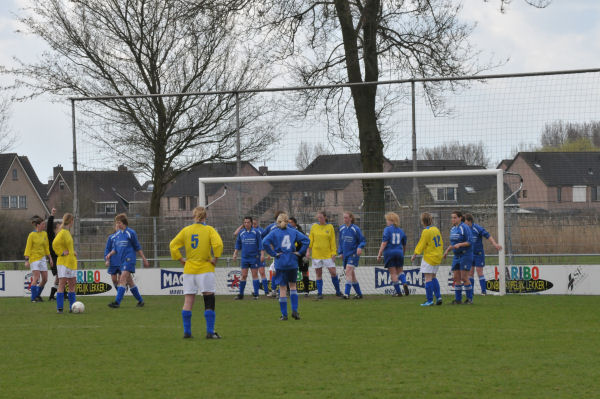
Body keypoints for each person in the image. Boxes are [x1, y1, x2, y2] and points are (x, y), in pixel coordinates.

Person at [170, 206, 223, 339]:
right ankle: (210, 332)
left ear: (194, 216)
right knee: (209, 299)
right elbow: (218, 244)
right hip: (205, 269)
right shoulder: (209, 229)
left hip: (189, 270)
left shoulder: (186, 230)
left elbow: (173, 245)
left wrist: (180, 259)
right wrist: (215, 258)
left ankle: (187, 332)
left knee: (188, 301)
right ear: (205, 217)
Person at [262, 212, 309, 320]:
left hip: (281, 262)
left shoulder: (274, 232)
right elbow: (307, 240)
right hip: (292, 261)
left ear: (277, 222)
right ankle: (295, 311)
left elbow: (264, 242)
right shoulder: (293, 231)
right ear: (288, 222)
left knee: (282, 288)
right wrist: (300, 252)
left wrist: (273, 253)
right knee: (293, 286)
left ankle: (284, 315)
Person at [106, 213, 149, 308]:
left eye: (119, 222)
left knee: (122, 279)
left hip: (129, 259)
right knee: (130, 282)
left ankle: (117, 302)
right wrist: (110, 254)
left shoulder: (131, 233)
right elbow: (115, 249)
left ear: (124, 223)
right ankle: (140, 301)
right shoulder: (117, 234)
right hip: (122, 261)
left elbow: (137, 247)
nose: (117, 224)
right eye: (116, 222)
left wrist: (144, 258)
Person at [464, 213, 502, 296]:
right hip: (469, 255)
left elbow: (488, 235)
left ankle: (484, 292)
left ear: (469, 221)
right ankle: (471, 292)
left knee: (479, 272)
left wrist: (495, 244)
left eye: (465, 221)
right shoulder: (464, 229)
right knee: (470, 273)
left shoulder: (477, 228)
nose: (464, 223)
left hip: (478, 254)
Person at [411, 212, 444, 306]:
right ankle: (438, 297)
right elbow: (441, 242)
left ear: (422, 221)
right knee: (434, 276)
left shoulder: (426, 231)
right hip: (437, 256)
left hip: (429, 257)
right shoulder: (436, 229)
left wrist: (415, 254)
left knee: (428, 278)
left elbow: (421, 244)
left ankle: (429, 300)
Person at [306, 211, 341, 299]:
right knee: (318, 273)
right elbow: (310, 240)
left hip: (327, 255)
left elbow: (332, 241)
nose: (319, 219)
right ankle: (320, 293)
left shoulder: (330, 227)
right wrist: (307, 251)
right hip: (316, 255)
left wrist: (333, 253)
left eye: (321, 217)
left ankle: (338, 291)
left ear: (325, 217)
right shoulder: (314, 227)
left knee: (333, 272)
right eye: (318, 217)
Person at [443, 210, 474, 305]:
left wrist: (460, 244)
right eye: (452, 217)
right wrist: (447, 251)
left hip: (465, 255)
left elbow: (470, 242)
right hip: (456, 256)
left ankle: (469, 299)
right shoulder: (453, 229)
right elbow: (453, 244)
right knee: (456, 278)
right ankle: (458, 299)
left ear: (460, 218)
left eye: (455, 217)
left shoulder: (465, 227)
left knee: (464, 278)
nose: (453, 219)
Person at [376, 212, 408, 297]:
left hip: (389, 253)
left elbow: (384, 242)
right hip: (399, 252)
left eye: (387, 220)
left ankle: (398, 292)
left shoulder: (387, 229)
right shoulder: (401, 231)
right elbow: (404, 244)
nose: (386, 222)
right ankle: (404, 282)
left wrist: (379, 254)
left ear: (392, 221)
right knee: (400, 271)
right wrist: (403, 253)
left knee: (393, 273)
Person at [232, 216, 263, 300]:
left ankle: (256, 294)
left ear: (251, 223)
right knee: (244, 275)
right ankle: (241, 294)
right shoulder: (241, 232)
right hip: (244, 258)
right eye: (245, 222)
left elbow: (260, 245)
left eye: (248, 222)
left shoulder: (256, 232)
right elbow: (238, 244)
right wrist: (235, 253)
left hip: (254, 257)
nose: (246, 224)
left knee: (254, 275)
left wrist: (262, 254)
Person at [52, 213, 77, 313]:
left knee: (72, 284)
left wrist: (72, 252)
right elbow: (54, 244)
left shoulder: (67, 232)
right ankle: (60, 308)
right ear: (71, 221)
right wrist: (61, 253)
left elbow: (68, 246)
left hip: (71, 262)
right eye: (73, 221)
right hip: (63, 262)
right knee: (62, 283)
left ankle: (72, 307)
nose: (73, 222)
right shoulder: (62, 232)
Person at [24, 215, 53, 302]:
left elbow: (46, 247)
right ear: (38, 225)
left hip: (42, 258)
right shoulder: (31, 235)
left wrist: (50, 258)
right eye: (43, 224)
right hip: (34, 259)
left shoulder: (44, 234)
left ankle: (37, 295)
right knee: (36, 277)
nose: (44, 226)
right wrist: (26, 260)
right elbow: (28, 248)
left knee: (45, 279)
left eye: (44, 224)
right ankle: (33, 298)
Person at [338, 211, 366, 299]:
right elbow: (340, 242)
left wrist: (360, 247)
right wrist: (340, 252)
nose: (344, 219)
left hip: (353, 254)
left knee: (348, 271)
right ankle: (359, 294)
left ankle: (346, 294)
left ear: (350, 218)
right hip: (345, 254)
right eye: (344, 217)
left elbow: (362, 240)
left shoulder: (355, 229)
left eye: (346, 217)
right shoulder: (341, 228)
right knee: (351, 274)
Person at [289, 217, 311, 296]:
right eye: (288, 222)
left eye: (291, 222)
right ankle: (289, 290)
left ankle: (306, 290)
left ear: (295, 223)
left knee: (304, 272)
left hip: (301, 254)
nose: (289, 224)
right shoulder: (288, 231)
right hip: (292, 254)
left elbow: (307, 241)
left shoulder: (300, 231)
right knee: (290, 271)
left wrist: (307, 252)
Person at [252, 219, 270, 296]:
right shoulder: (248, 231)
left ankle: (266, 291)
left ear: (257, 222)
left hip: (260, 254)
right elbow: (235, 233)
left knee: (262, 272)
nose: (254, 224)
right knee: (254, 273)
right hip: (252, 255)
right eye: (252, 223)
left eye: (255, 222)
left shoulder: (261, 230)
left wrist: (268, 253)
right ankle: (256, 292)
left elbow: (267, 241)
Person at [46, 208, 60, 301]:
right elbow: (49, 226)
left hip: (60, 259)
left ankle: (52, 296)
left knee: (60, 277)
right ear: (55, 228)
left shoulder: (60, 237)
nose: (61, 228)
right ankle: (63, 294)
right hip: (53, 259)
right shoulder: (51, 235)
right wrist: (52, 215)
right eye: (59, 227)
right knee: (60, 276)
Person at [104, 223, 122, 291]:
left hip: (121, 262)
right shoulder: (111, 237)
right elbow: (107, 249)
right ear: (115, 228)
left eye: (119, 227)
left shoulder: (124, 237)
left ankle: (120, 294)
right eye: (117, 227)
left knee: (121, 280)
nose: (118, 228)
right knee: (114, 280)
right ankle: (120, 291)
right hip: (113, 262)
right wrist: (107, 260)